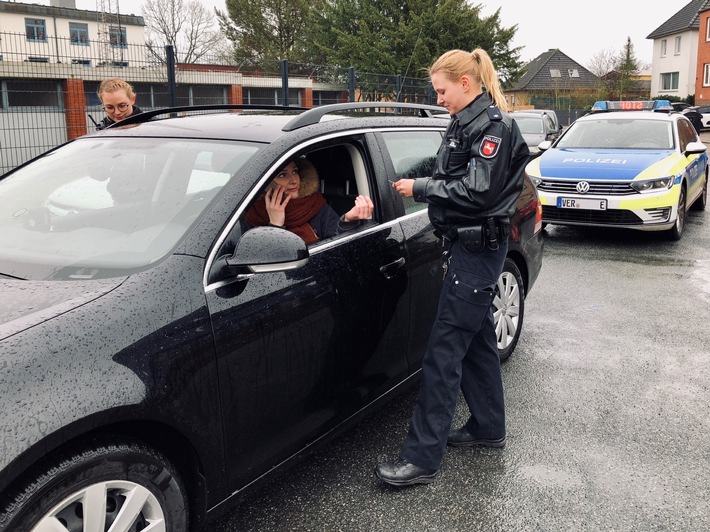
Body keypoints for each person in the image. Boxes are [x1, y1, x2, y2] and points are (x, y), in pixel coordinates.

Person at [375, 48, 530, 486]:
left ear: (467, 82)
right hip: (467, 251)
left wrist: (420, 186)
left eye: (442, 90)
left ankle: (421, 459)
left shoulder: (493, 128)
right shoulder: (464, 123)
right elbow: (457, 176)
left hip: (477, 255)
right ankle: (487, 427)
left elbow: (478, 191)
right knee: (478, 341)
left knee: (443, 354)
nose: (439, 98)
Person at [244, 157, 374, 244]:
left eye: (295, 172)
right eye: (282, 175)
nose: (294, 180)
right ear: (265, 184)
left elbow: (337, 247)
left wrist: (347, 220)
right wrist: (275, 225)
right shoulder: (251, 213)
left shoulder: (315, 205)